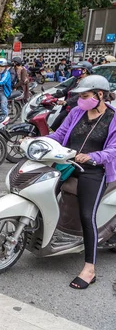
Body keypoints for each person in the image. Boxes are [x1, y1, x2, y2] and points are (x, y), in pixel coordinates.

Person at [45, 75, 116, 290]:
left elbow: (114, 149)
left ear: (99, 94)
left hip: (94, 171)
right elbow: (60, 134)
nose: (80, 100)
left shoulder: (113, 118)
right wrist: (39, 141)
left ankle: (89, 268)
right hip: (67, 164)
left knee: (87, 216)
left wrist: (93, 156)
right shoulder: (76, 112)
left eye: (85, 96)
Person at [51, 61, 93, 131]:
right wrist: (52, 96)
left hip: (77, 110)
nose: (75, 71)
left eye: (77, 69)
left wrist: (66, 102)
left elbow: (79, 95)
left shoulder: (88, 82)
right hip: (67, 108)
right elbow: (66, 90)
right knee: (54, 125)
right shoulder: (76, 79)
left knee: (64, 128)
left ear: (84, 70)